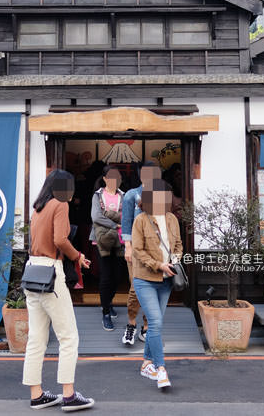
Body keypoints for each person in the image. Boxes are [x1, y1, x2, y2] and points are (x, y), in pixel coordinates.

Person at [22, 169, 95, 412]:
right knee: (68, 336)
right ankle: (69, 394)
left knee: (36, 339)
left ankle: (36, 395)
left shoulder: (38, 207)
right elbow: (60, 240)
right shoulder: (60, 205)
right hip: (51, 272)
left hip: (32, 271)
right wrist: (78, 256)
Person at [131, 179, 183, 390]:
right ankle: (160, 369)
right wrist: (158, 264)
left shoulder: (172, 219)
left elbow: (178, 245)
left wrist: (174, 262)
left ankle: (146, 363)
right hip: (145, 279)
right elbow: (137, 250)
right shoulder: (141, 220)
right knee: (155, 322)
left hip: (167, 280)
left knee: (156, 322)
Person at [120, 163, 161, 345]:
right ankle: (131, 324)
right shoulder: (131, 195)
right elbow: (126, 222)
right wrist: (127, 247)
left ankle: (146, 326)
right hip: (135, 250)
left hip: (155, 251)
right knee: (136, 288)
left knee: (152, 289)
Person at [90, 166, 124, 331]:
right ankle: (105, 312)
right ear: (104, 178)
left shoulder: (123, 195)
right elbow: (96, 217)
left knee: (118, 276)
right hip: (102, 240)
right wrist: (115, 223)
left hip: (120, 241)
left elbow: (127, 215)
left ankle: (108, 302)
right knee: (105, 276)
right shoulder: (98, 196)